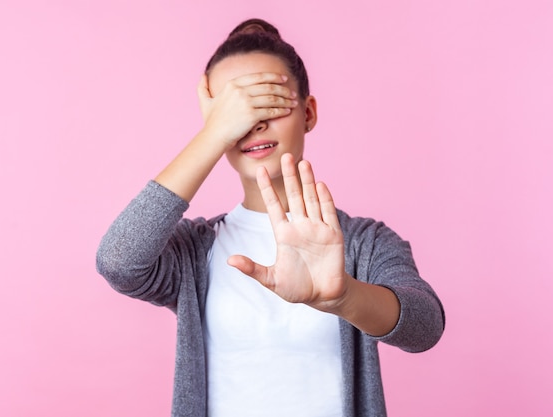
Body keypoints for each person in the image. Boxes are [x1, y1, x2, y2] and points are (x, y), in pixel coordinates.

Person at [96, 18, 445, 417]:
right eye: (236, 111)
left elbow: (426, 327)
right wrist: (213, 134)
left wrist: (343, 296)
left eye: (270, 104)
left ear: (308, 113)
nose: (254, 123)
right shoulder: (195, 252)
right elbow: (119, 261)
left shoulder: (366, 242)